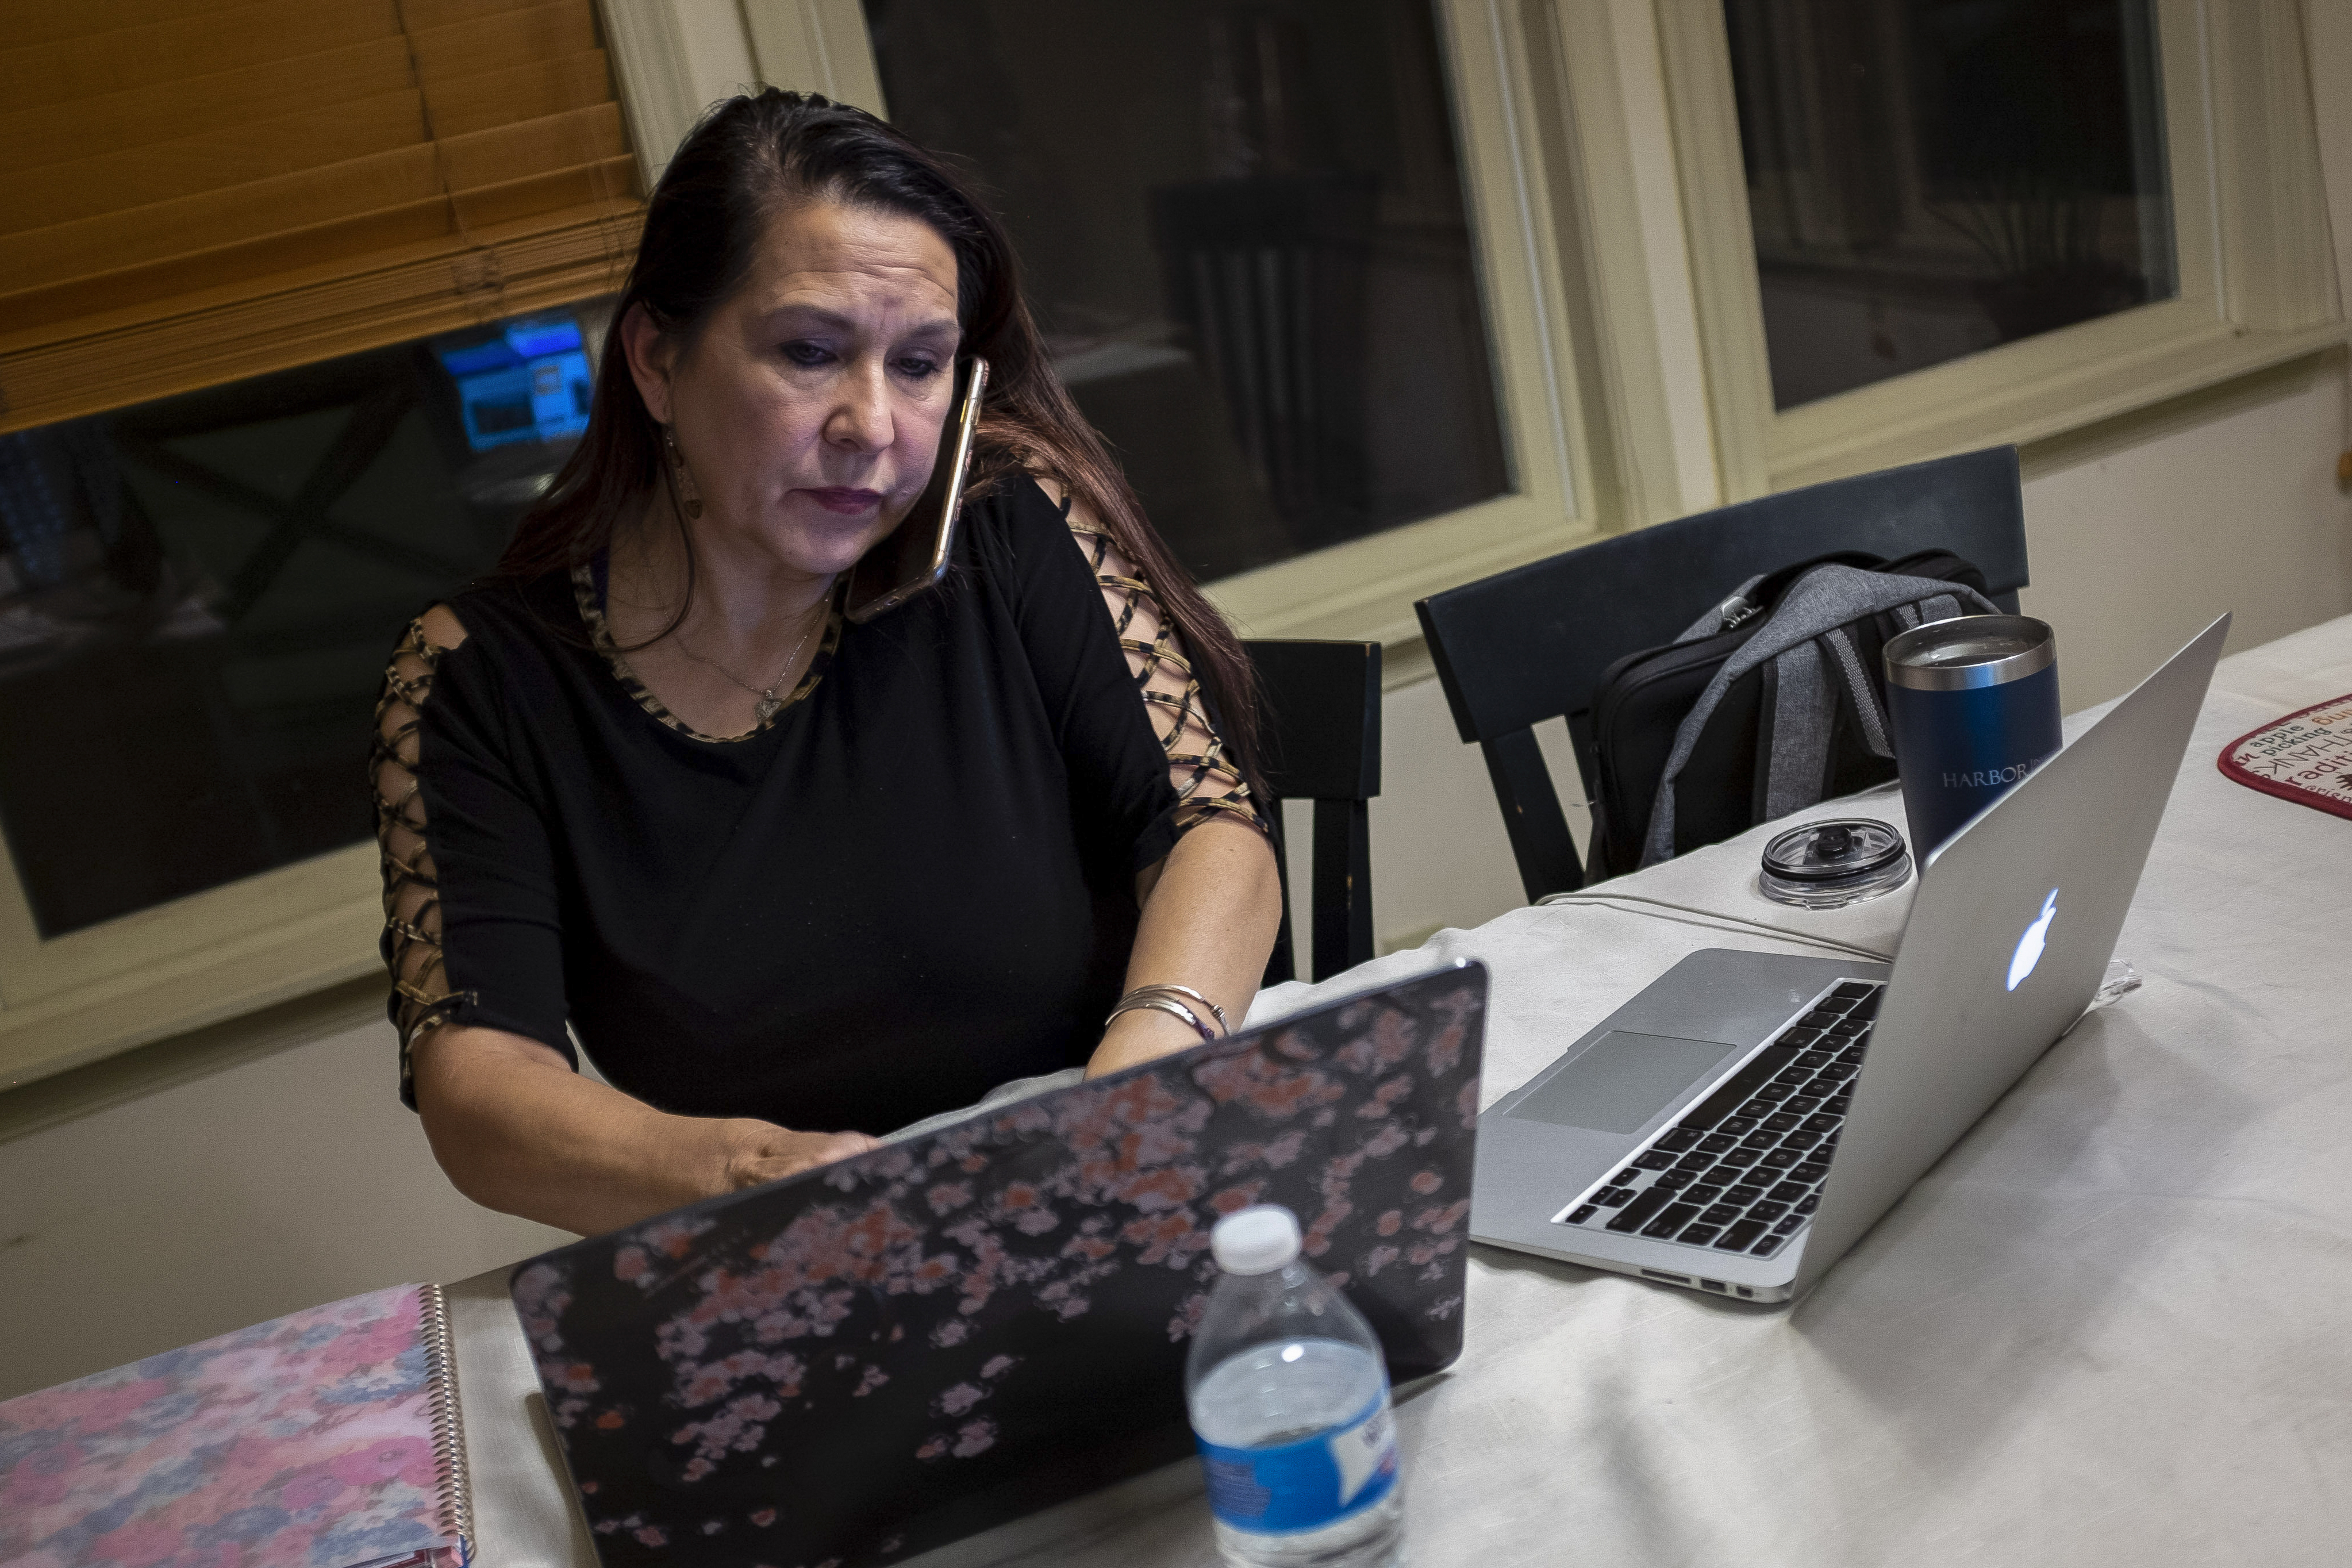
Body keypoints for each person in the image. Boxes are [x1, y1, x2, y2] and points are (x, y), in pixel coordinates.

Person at [370, 91, 1283, 1238]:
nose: (874, 425)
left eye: (920, 365)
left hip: (1106, 1182)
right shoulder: (476, 679)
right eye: (810, 353)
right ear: (656, 358)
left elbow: (1208, 825)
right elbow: (480, 1087)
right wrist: (753, 1171)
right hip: (785, 1244)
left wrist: (1136, 1081)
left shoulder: (1005, 523)